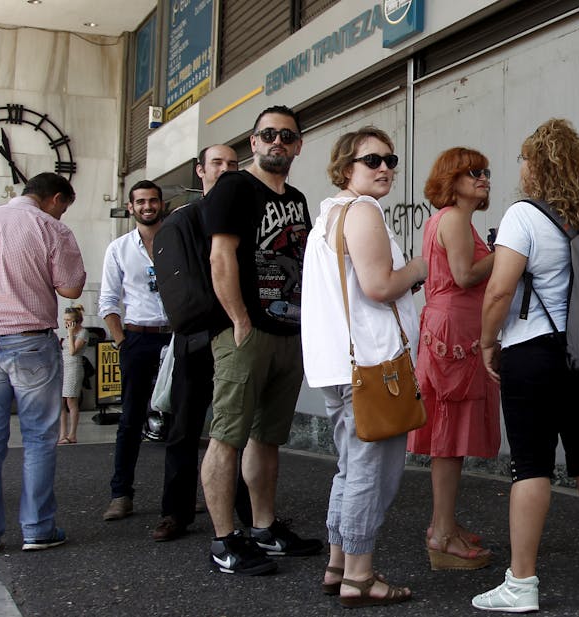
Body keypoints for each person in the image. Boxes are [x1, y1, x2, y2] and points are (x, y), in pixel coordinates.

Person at [472, 119, 579, 612]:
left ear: (537, 166)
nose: (519, 168)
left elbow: (499, 289)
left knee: (531, 466)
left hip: (533, 354)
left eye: (523, 158)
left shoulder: (522, 216)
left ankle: (521, 584)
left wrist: (486, 341)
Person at [301, 126, 426, 607]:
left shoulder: (328, 215)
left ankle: (339, 563)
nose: (384, 169)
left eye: (390, 161)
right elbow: (379, 285)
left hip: (339, 367)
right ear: (345, 166)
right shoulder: (363, 210)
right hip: (374, 368)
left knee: (351, 467)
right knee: (372, 472)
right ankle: (359, 574)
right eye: (372, 160)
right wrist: (418, 269)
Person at [200, 106, 322, 576]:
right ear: (253, 142)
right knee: (227, 435)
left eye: (287, 136)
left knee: (267, 437)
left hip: (287, 333)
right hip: (245, 333)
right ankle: (224, 539)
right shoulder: (234, 187)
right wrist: (239, 320)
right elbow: (221, 258)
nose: (277, 142)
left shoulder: (296, 197)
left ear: (297, 145)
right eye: (268, 135)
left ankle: (264, 528)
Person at [0, 172, 86, 554]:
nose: (62, 216)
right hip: (29, 341)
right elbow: (70, 288)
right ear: (55, 198)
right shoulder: (50, 228)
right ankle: (37, 529)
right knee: (38, 438)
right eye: (64, 208)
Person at [408, 147, 498, 570]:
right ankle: (442, 533)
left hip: (446, 330)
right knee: (448, 436)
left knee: (449, 435)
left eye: (484, 172)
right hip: (456, 334)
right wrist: (507, 253)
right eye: (473, 172)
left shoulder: (441, 219)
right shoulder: (456, 218)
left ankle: (443, 525)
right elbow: (464, 276)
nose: (483, 178)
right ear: (453, 179)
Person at [153, 144, 245, 542]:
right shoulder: (182, 223)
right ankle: (175, 511)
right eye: (217, 163)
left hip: (242, 336)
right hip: (198, 339)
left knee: (239, 428)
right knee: (185, 428)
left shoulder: (246, 216)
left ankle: (249, 510)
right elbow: (183, 289)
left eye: (232, 164)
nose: (225, 170)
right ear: (200, 171)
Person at [99, 180, 172, 522]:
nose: (147, 206)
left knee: (182, 420)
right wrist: (120, 340)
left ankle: (179, 495)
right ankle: (121, 494)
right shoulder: (119, 248)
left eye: (152, 200)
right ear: (131, 207)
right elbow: (108, 300)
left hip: (177, 338)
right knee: (130, 419)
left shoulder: (176, 241)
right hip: (138, 339)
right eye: (140, 201)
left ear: (161, 204)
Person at [58, 304, 89, 445]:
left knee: (71, 401)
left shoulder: (83, 333)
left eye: (69, 320)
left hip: (74, 368)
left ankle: (72, 434)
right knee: (60, 402)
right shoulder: (68, 334)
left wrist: (70, 334)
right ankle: (62, 434)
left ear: (76, 320)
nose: (66, 323)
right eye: (65, 320)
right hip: (63, 368)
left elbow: (72, 351)